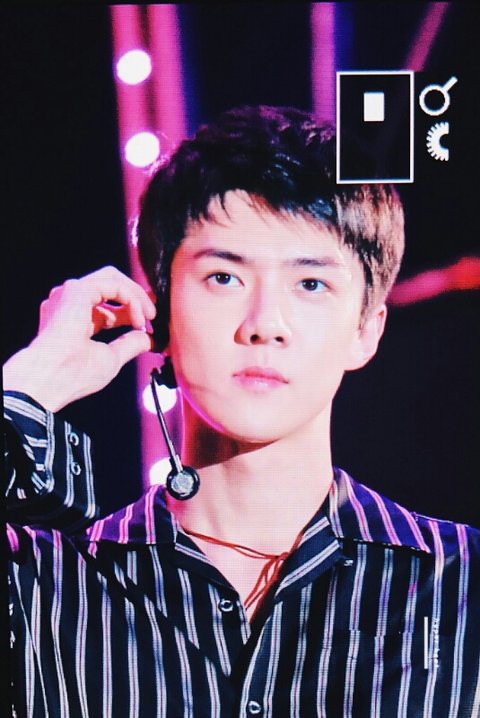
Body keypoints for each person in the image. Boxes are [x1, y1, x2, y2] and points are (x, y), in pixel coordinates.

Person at [3, 105, 479, 718]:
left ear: (367, 330)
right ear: (158, 310)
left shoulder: (459, 582)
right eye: (224, 278)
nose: (264, 325)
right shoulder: (44, 586)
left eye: (310, 285)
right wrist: (26, 386)